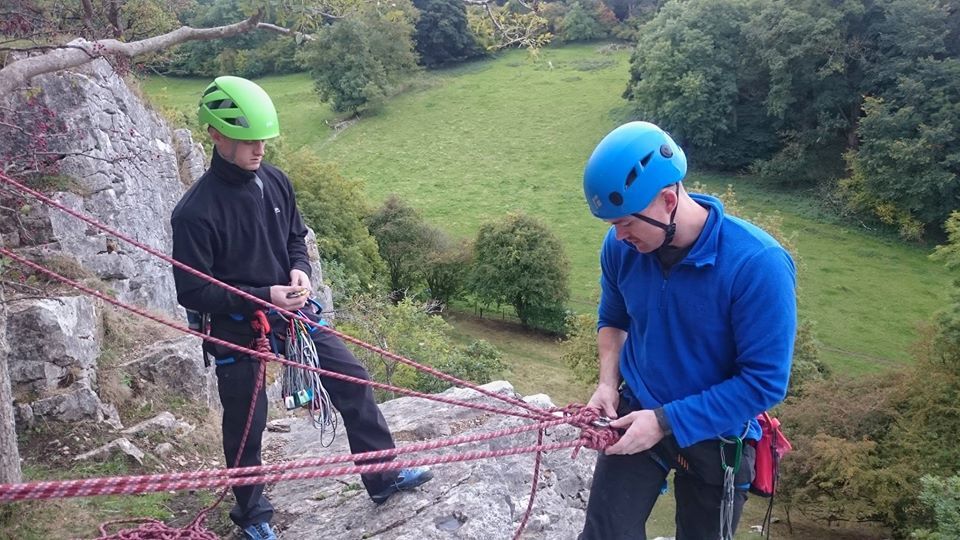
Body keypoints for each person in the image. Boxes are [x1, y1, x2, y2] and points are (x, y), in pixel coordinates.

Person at [171, 76, 433, 540]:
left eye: (264, 140)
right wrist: (261, 294)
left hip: (291, 311)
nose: (258, 150)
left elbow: (295, 237)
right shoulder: (196, 212)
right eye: (248, 140)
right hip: (237, 323)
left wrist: (298, 271)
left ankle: (382, 476)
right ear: (215, 135)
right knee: (247, 423)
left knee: (353, 379)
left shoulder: (275, 182)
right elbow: (192, 291)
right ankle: (253, 516)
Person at [577, 121, 797, 540]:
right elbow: (614, 319)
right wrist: (607, 383)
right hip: (637, 407)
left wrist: (665, 421)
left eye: (626, 223)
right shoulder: (622, 248)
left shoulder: (758, 265)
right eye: (612, 226)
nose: (619, 237)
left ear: (667, 199)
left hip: (717, 431)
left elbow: (765, 383)